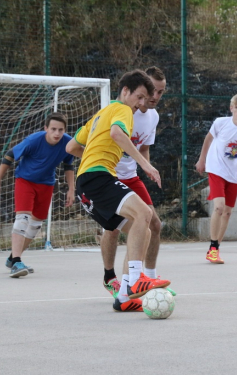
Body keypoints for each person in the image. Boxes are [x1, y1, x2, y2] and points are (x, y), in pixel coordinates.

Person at [65, 69, 171, 312]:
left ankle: (124, 297)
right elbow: (117, 133)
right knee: (144, 214)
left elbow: (72, 146)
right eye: (140, 97)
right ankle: (135, 281)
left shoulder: (100, 114)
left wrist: (93, 157)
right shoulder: (123, 110)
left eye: (147, 98)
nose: (142, 103)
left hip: (87, 183)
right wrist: (145, 164)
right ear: (125, 91)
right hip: (98, 177)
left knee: (139, 227)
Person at [98, 66, 176, 305]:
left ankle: (148, 280)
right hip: (109, 175)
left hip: (132, 175)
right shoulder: (119, 111)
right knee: (112, 229)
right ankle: (110, 277)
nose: (154, 97)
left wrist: (147, 169)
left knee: (154, 223)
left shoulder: (153, 116)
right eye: (150, 91)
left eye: (160, 92)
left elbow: (143, 147)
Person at [0, 112, 75, 278]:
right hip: (25, 180)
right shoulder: (34, 140)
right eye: (53, 129)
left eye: (61, 130)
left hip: (46, 184)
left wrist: (72, 189)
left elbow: (68, 165)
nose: (57, 133)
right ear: (46, 129)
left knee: (36, 225)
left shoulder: (67, 143)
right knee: (23, 219)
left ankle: (13, 259)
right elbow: (9, 155)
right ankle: (16, 261)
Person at [195, 93, 237, 264]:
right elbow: (208, 140)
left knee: (228, 212)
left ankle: (215, 249)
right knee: (219, 207)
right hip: (216, 169)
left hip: (234, 173)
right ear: (231, 108)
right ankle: (212, 247)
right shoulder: (220, 123)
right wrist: (201, 160)